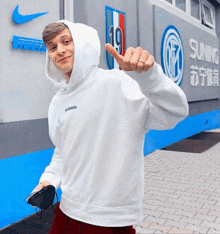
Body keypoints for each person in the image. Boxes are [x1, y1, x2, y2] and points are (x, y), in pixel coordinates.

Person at [32, 20, 188, 234]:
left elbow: (174, 113)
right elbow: (63, 150)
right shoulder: (58, 101)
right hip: (66, 211)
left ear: (83, 43)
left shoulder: (119, 83)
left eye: (66, 41)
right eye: (52, 47)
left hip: (109, 220)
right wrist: (48, 180)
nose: (60, 50)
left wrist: (150, 77)